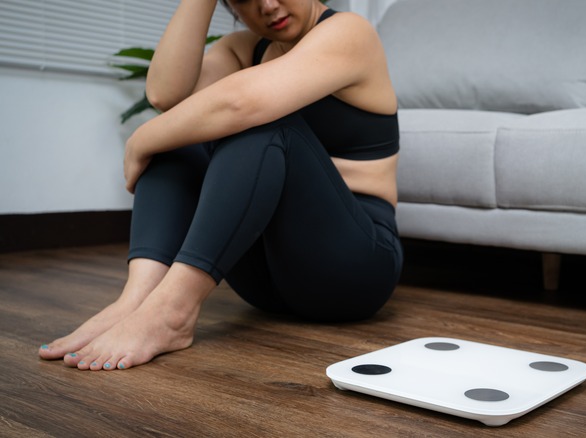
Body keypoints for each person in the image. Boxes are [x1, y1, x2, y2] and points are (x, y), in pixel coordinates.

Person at [38, 0, 402, 371]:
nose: (268, 5)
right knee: (183, 131)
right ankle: (137, 300)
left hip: (354, 267)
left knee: (261, 123)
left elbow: (242, 103)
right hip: (267, 282)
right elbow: (167, 96)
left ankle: (173, 313)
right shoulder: (243, 49)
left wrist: (140, 139)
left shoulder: (349, 31)